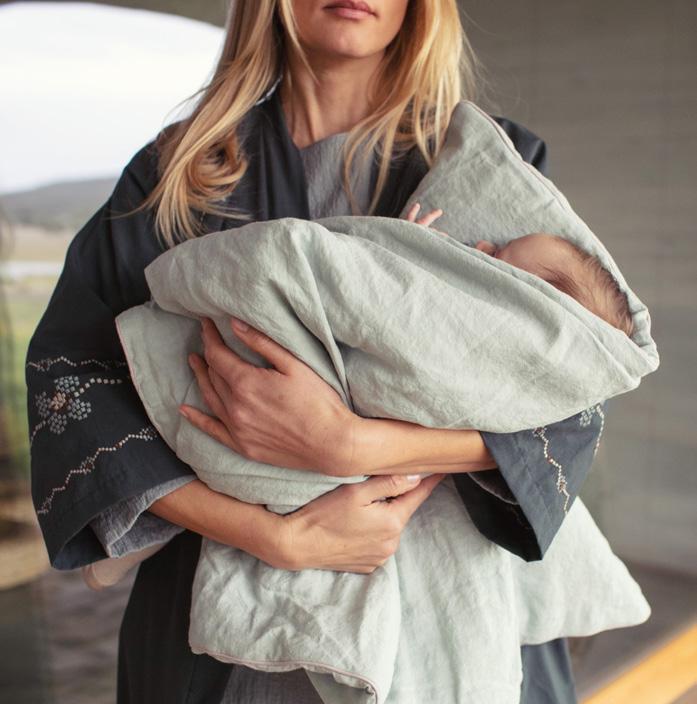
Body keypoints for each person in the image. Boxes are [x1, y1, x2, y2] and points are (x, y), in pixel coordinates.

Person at [26, 1, 602, 704]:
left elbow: (573, 385)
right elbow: (71, 382)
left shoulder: (488, 162)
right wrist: (273, 536)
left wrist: (354, 445)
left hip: (451, 645)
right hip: (235, 673)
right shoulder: (179, 172)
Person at [81, 214, 634, 592]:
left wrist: (352, 445)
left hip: (376, 530)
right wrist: (398, 254)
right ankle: (155, 522)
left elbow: (562, 425)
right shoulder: (180, 163)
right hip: (233, 507)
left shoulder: (521, 372)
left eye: (502, 260)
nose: (482, 248)